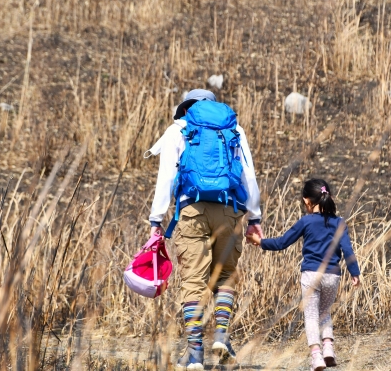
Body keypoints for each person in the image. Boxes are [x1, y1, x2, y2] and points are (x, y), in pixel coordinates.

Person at [146, 89, 262, 370]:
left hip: (191, 210)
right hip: (229, 209)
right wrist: (255, 217)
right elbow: (248, 173)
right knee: (224, 274)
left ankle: (195, 353)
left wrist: (156, 219)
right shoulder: (233, 128)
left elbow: (166, 177)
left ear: (187, 107)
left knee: (193, 281)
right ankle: (221, 335)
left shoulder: (178, 129)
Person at [248, 179, 360, 371]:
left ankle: (316, 356)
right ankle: (328, 349)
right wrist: (355, 273)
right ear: (328, 197)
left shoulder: (305, 221)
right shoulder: (339, 222)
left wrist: (261, 241)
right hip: (332, 276)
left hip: (310, 275)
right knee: (325, 312)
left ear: (307, 201)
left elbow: (282, 242)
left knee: (310, 315)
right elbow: (348, 251)